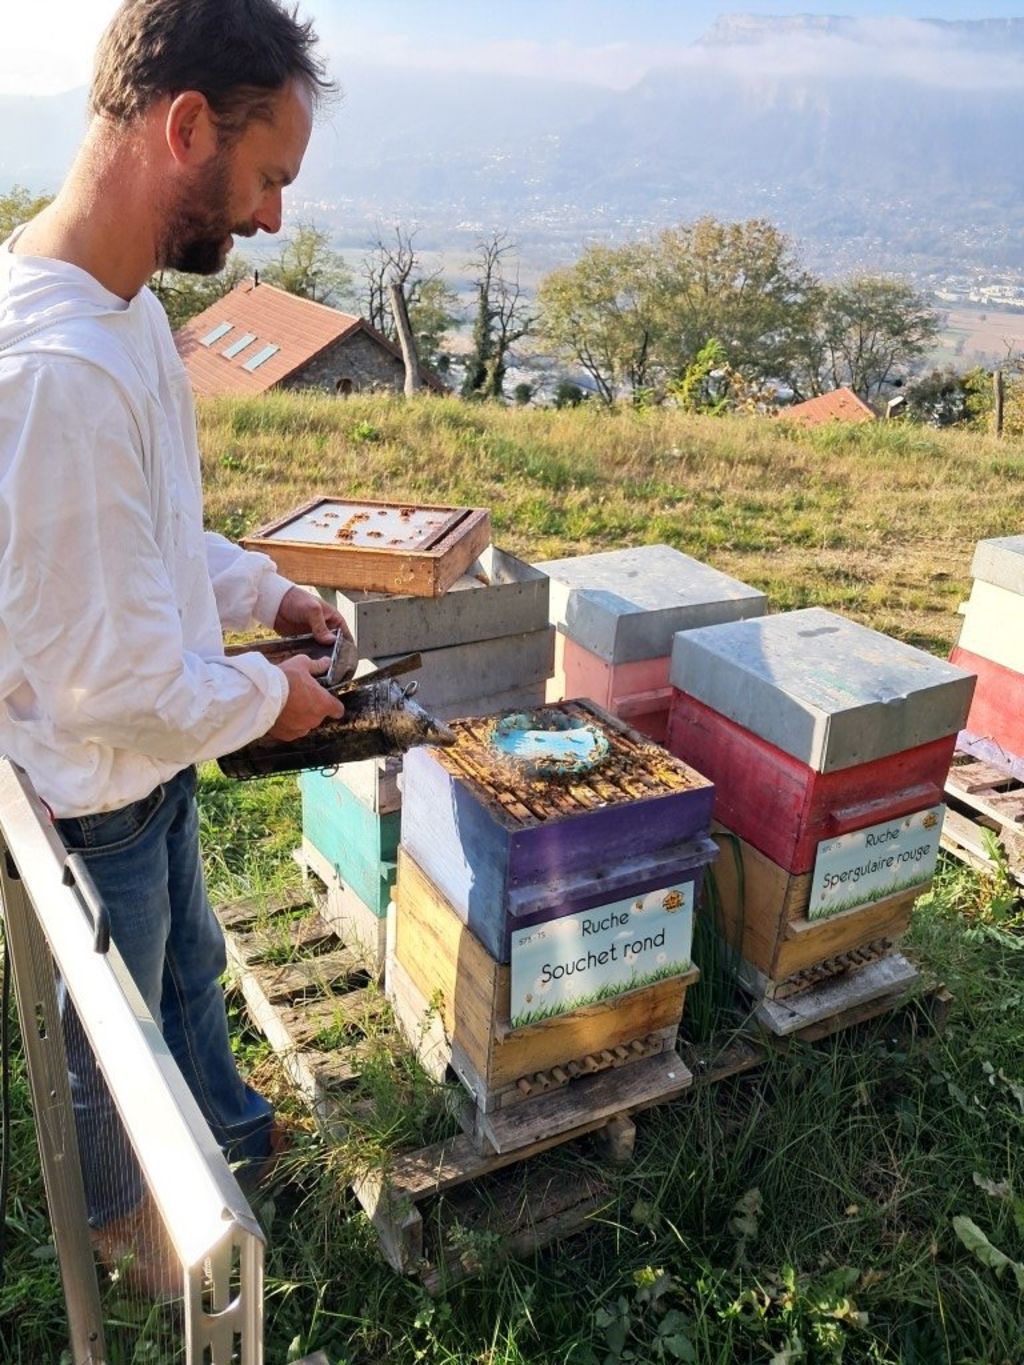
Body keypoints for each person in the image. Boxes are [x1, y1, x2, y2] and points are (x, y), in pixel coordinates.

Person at [0, 0, 346, 1290]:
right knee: (121, 1048)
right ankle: (136, 1243)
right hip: (97, 796)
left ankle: (231, 1151)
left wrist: (264, 597)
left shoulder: (123, 312)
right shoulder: (56, 380)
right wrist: (275, 699)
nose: (269, 219)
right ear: (184, 125)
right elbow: (119, 685)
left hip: (149, 775)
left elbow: (145, 539)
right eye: (267, 177)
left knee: (192, 975)